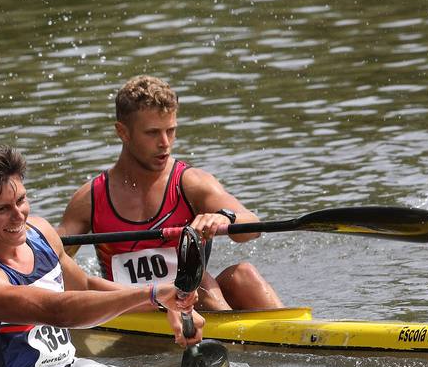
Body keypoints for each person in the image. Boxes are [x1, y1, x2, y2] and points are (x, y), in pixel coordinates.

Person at [0, 142, 204, 367]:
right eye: (2, 209)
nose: (19, 216)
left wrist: (166, 304)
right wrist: (151, 293)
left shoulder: (40, 233)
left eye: (21, 200)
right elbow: (58, 311)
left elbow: (86, 287)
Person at [60, 75, 281, 311]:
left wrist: (226, 218)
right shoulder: (91, 199)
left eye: (171, 131)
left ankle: (300, 336)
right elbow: (53, 257)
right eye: (152, 133)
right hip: (129, 309)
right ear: (123, 132)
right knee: (202, 283)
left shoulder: (191, 183)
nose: (165, 142)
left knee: (243, 276)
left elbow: (253, 226)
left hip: (192, 301)